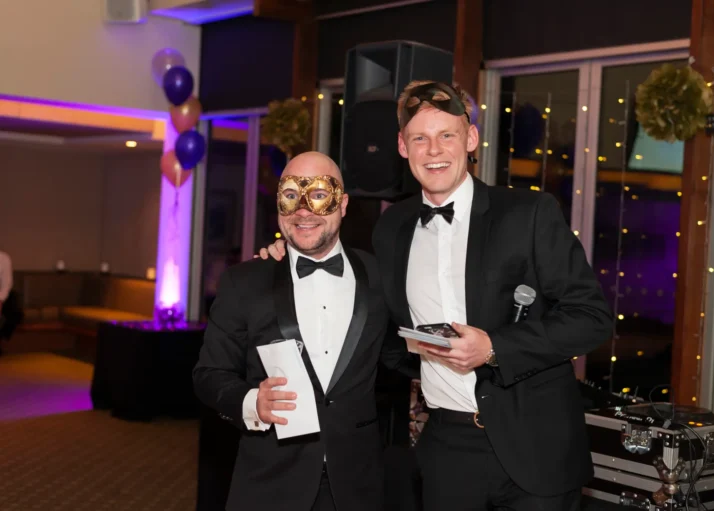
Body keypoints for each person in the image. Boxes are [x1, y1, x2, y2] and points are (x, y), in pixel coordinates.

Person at [259, 81, 613, 511]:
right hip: (447, 447)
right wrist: (288, 254)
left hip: (535, 444)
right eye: (420, 138)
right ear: (402, 147)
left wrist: (495, 348)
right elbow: (374, 314)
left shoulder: (529, 213)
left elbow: (591, 317)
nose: (434, 150)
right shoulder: (391, 229)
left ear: (470, 138)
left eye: (446, 134)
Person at [193, 152, 415, 511]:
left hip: (358, 486)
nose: (303, 210)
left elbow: (399, 354)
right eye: (292, 195)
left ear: (342, 204)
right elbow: (209, 374)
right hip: (270, 483)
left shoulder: (378, 276)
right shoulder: (245, 282)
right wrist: (252, 402)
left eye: (319, 195)